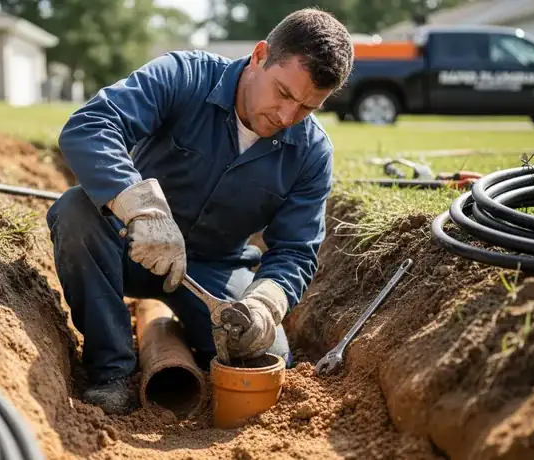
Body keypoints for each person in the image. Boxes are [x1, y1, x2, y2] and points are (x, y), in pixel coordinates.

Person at [47, 8, 354, 415]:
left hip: (212, 273)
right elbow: (90, 127)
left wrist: (265, 305)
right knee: (75, 210)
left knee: (265, 352)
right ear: (260, 55)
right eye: (283, 93)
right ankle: (112, 371)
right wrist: (141, 209)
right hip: (130, 244)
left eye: (306, 108)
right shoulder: (185, 76)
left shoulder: (312, 152)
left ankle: (182, 334)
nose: (286, 117)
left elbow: (295, 251)